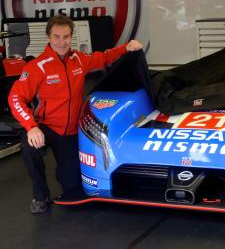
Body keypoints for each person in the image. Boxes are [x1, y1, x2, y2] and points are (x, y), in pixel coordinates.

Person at [8, 14, 143, 214]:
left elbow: (104, 57)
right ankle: (40, 195)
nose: (61, 42)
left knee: (73, 187)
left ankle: (63, 172)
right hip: (45, 127)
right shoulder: (37, 67)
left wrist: (127, 47)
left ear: (71, 37)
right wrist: (31, 127)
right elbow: (15, 98)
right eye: (56, 37)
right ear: (48, 38)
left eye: (66, 37)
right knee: (28, 147)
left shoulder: (79, 59)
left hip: (70, 131)